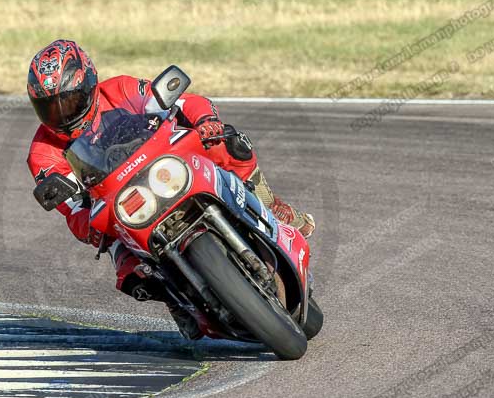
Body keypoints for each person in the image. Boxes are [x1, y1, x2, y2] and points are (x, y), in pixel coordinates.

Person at [27, 39, 315, 339]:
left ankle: (266, 203)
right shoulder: (43, 154)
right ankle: (176, 300)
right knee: (128, 267)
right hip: (121, 208)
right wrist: (89, 225)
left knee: (230, 145)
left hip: (166, 165)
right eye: (49, 107)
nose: (61, 113)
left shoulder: (120, 90)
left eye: (69, 100)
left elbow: (183, 101)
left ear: (89, 84)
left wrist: (206, 122)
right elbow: (71, 209)